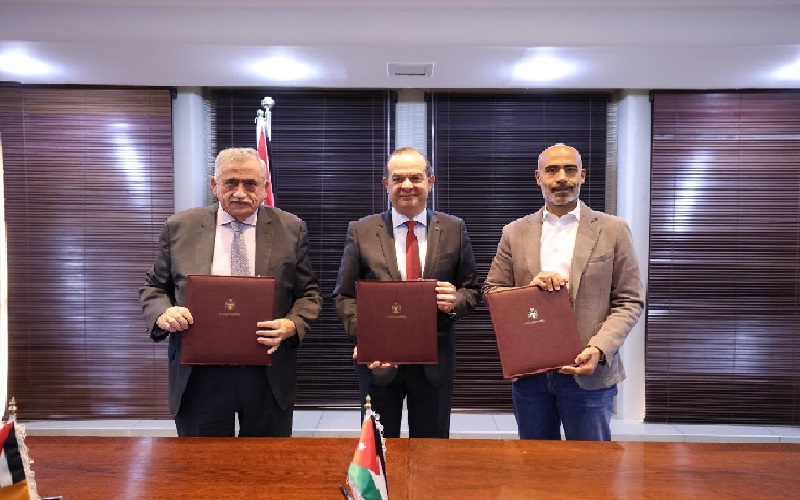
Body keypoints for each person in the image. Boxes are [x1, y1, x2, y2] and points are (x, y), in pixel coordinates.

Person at [139, 147, 322, 437]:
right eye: (230, 183)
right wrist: (163, 312)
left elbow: (309, 294)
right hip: (200, 375)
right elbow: (154, 287)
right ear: (214, 185)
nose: (240, 193)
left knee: (266, 462)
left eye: (250, 184)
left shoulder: (291, 229)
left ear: (264, 188)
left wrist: (292, 324)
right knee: (203, 463)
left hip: (267, 372)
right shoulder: (180, 227)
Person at [484, 143, 644, 441]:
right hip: (530, 376)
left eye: (570, 170)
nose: (561, 178)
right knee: (535, 462)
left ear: (582, 176)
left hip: (589, 373)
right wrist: (529, 288)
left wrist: (599, 349)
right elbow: (492, 291)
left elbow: (629, 300)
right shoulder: (514, 232)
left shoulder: (613, 230)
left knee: (590, 464)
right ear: (538, 177)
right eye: (552, 170)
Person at [333, 147, 479, 438]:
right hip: (379, 362)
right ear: (386, 184)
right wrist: (368, 338)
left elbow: (472, 290)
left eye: (416, 177)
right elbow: (344, 296)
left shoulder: (454, 229)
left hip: (434, 364)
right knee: (379, 451)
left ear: (430, 181)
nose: (407, 185)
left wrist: (456, 300)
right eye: (398, 179)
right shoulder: (361, 230)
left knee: (431, 451)